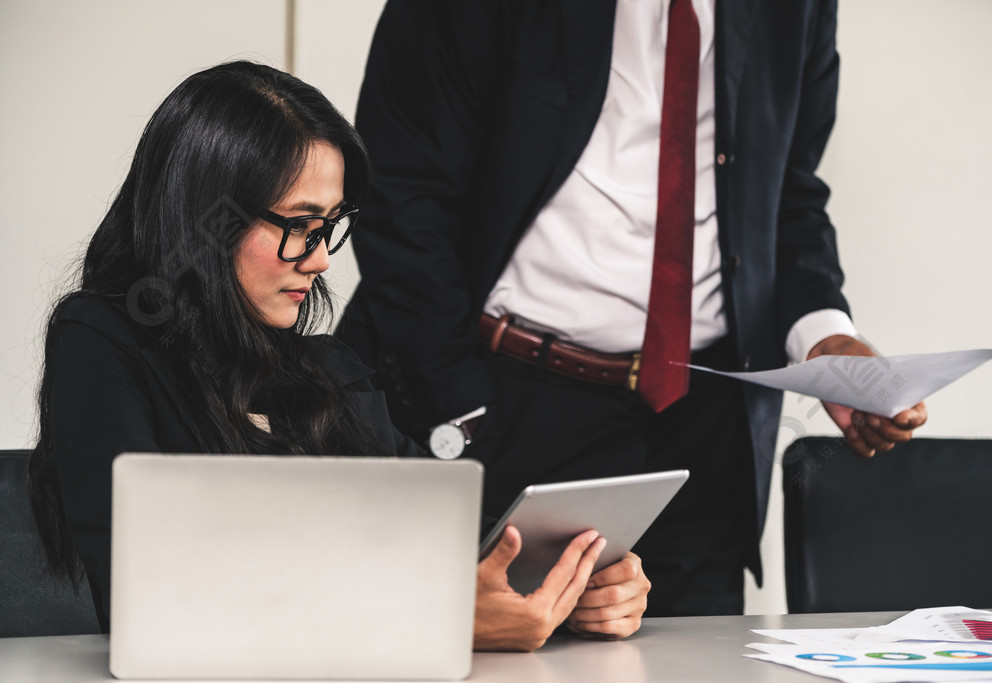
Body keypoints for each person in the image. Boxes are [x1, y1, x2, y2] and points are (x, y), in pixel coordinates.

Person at [27, 60, 649, 652]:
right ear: (208, 223)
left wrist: (572, 585)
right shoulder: (102, 340)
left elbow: (454, 531)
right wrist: (440, 618)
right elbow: (159, 587)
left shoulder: (327, 368)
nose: (322, 259)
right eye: (300, 224)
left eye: (329, 226)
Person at [336, 0, 928, 616]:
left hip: (706, 425)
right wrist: (461, 406)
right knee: (499, 649)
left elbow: (788, 193)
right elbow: (400, 189)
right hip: (506, 400)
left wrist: (824, 340)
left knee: (699, 661)